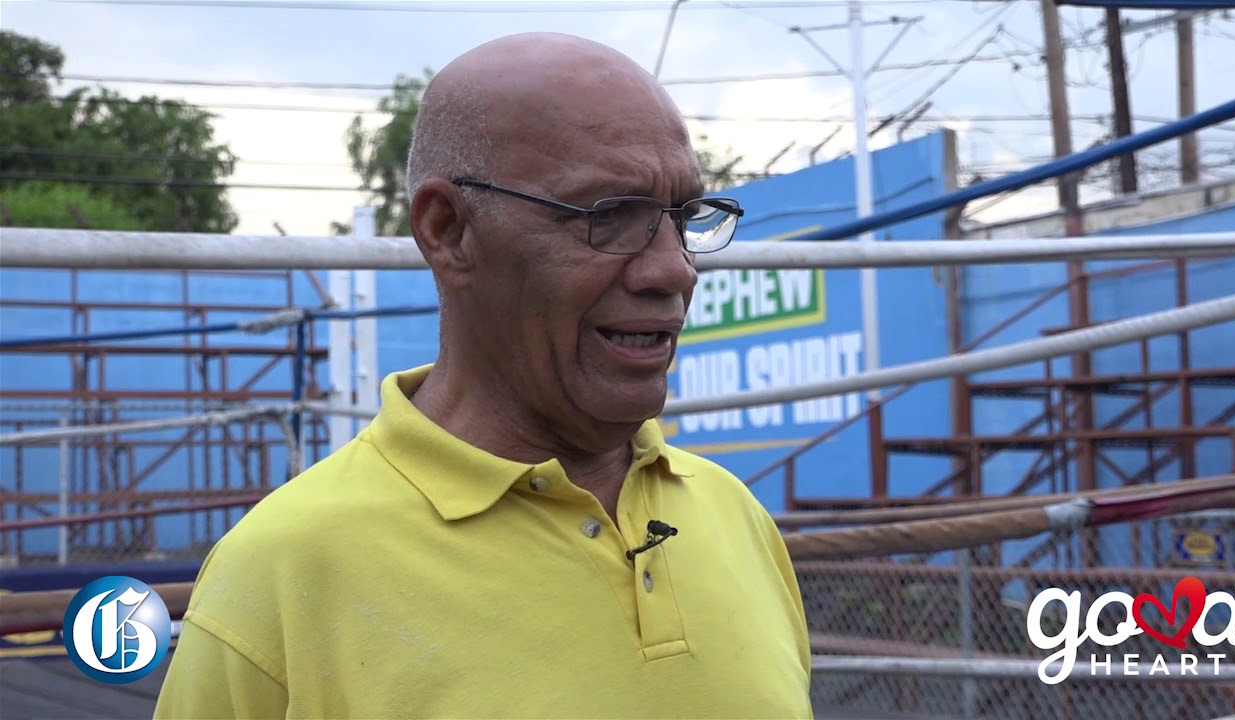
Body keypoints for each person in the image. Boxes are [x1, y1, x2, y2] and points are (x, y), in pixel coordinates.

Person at [155, 32, 812, 719]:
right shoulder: (281, 575)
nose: (675, 269)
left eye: (683, 218)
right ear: (448, 230)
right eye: (612, 215)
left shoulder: (737, 518)